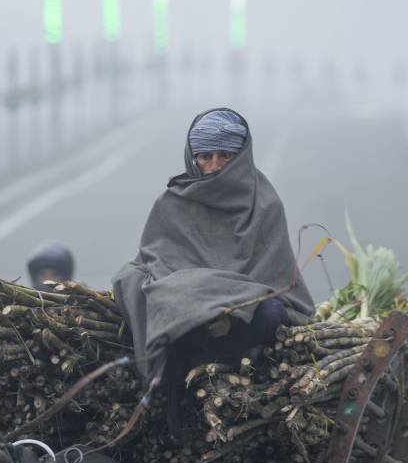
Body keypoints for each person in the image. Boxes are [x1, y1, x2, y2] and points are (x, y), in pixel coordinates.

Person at [112, 108, 315, 386]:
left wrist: (232, 316)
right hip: (186, 312)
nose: (215, 165)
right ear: (194, 158)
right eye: (206, 157)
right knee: (132, 281)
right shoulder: (171, 203)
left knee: (271, 313)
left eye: (226, 156)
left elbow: (273, 281)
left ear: (241, 157)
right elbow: (157, 266)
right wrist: (199, 306)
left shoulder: (265, 204)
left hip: (244, 316)